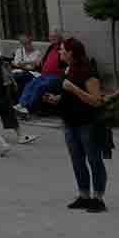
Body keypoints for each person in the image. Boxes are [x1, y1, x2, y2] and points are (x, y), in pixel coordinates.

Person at [43, 37, 107, 210]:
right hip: (70, 122)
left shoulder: (88, 72)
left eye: (62, 49)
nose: (60, 52)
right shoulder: (67, 69)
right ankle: (84, 195)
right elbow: (69, 95)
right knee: (77, 160)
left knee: (94, 160)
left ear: (71, 52)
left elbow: (96, 101)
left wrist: (74, 89)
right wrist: (56, 99)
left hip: (87, 123)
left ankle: (98, 198)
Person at [17, 29, 65, 113]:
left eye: (54, 36)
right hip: (44, 75)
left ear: (60, 37)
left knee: (40, 86)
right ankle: (21, 104)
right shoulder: (51, 47)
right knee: (30, 84)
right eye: (51, 36)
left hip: (55, 77)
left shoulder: (62, 47)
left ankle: (27, 107)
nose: (52, 38)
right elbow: (42, 61)